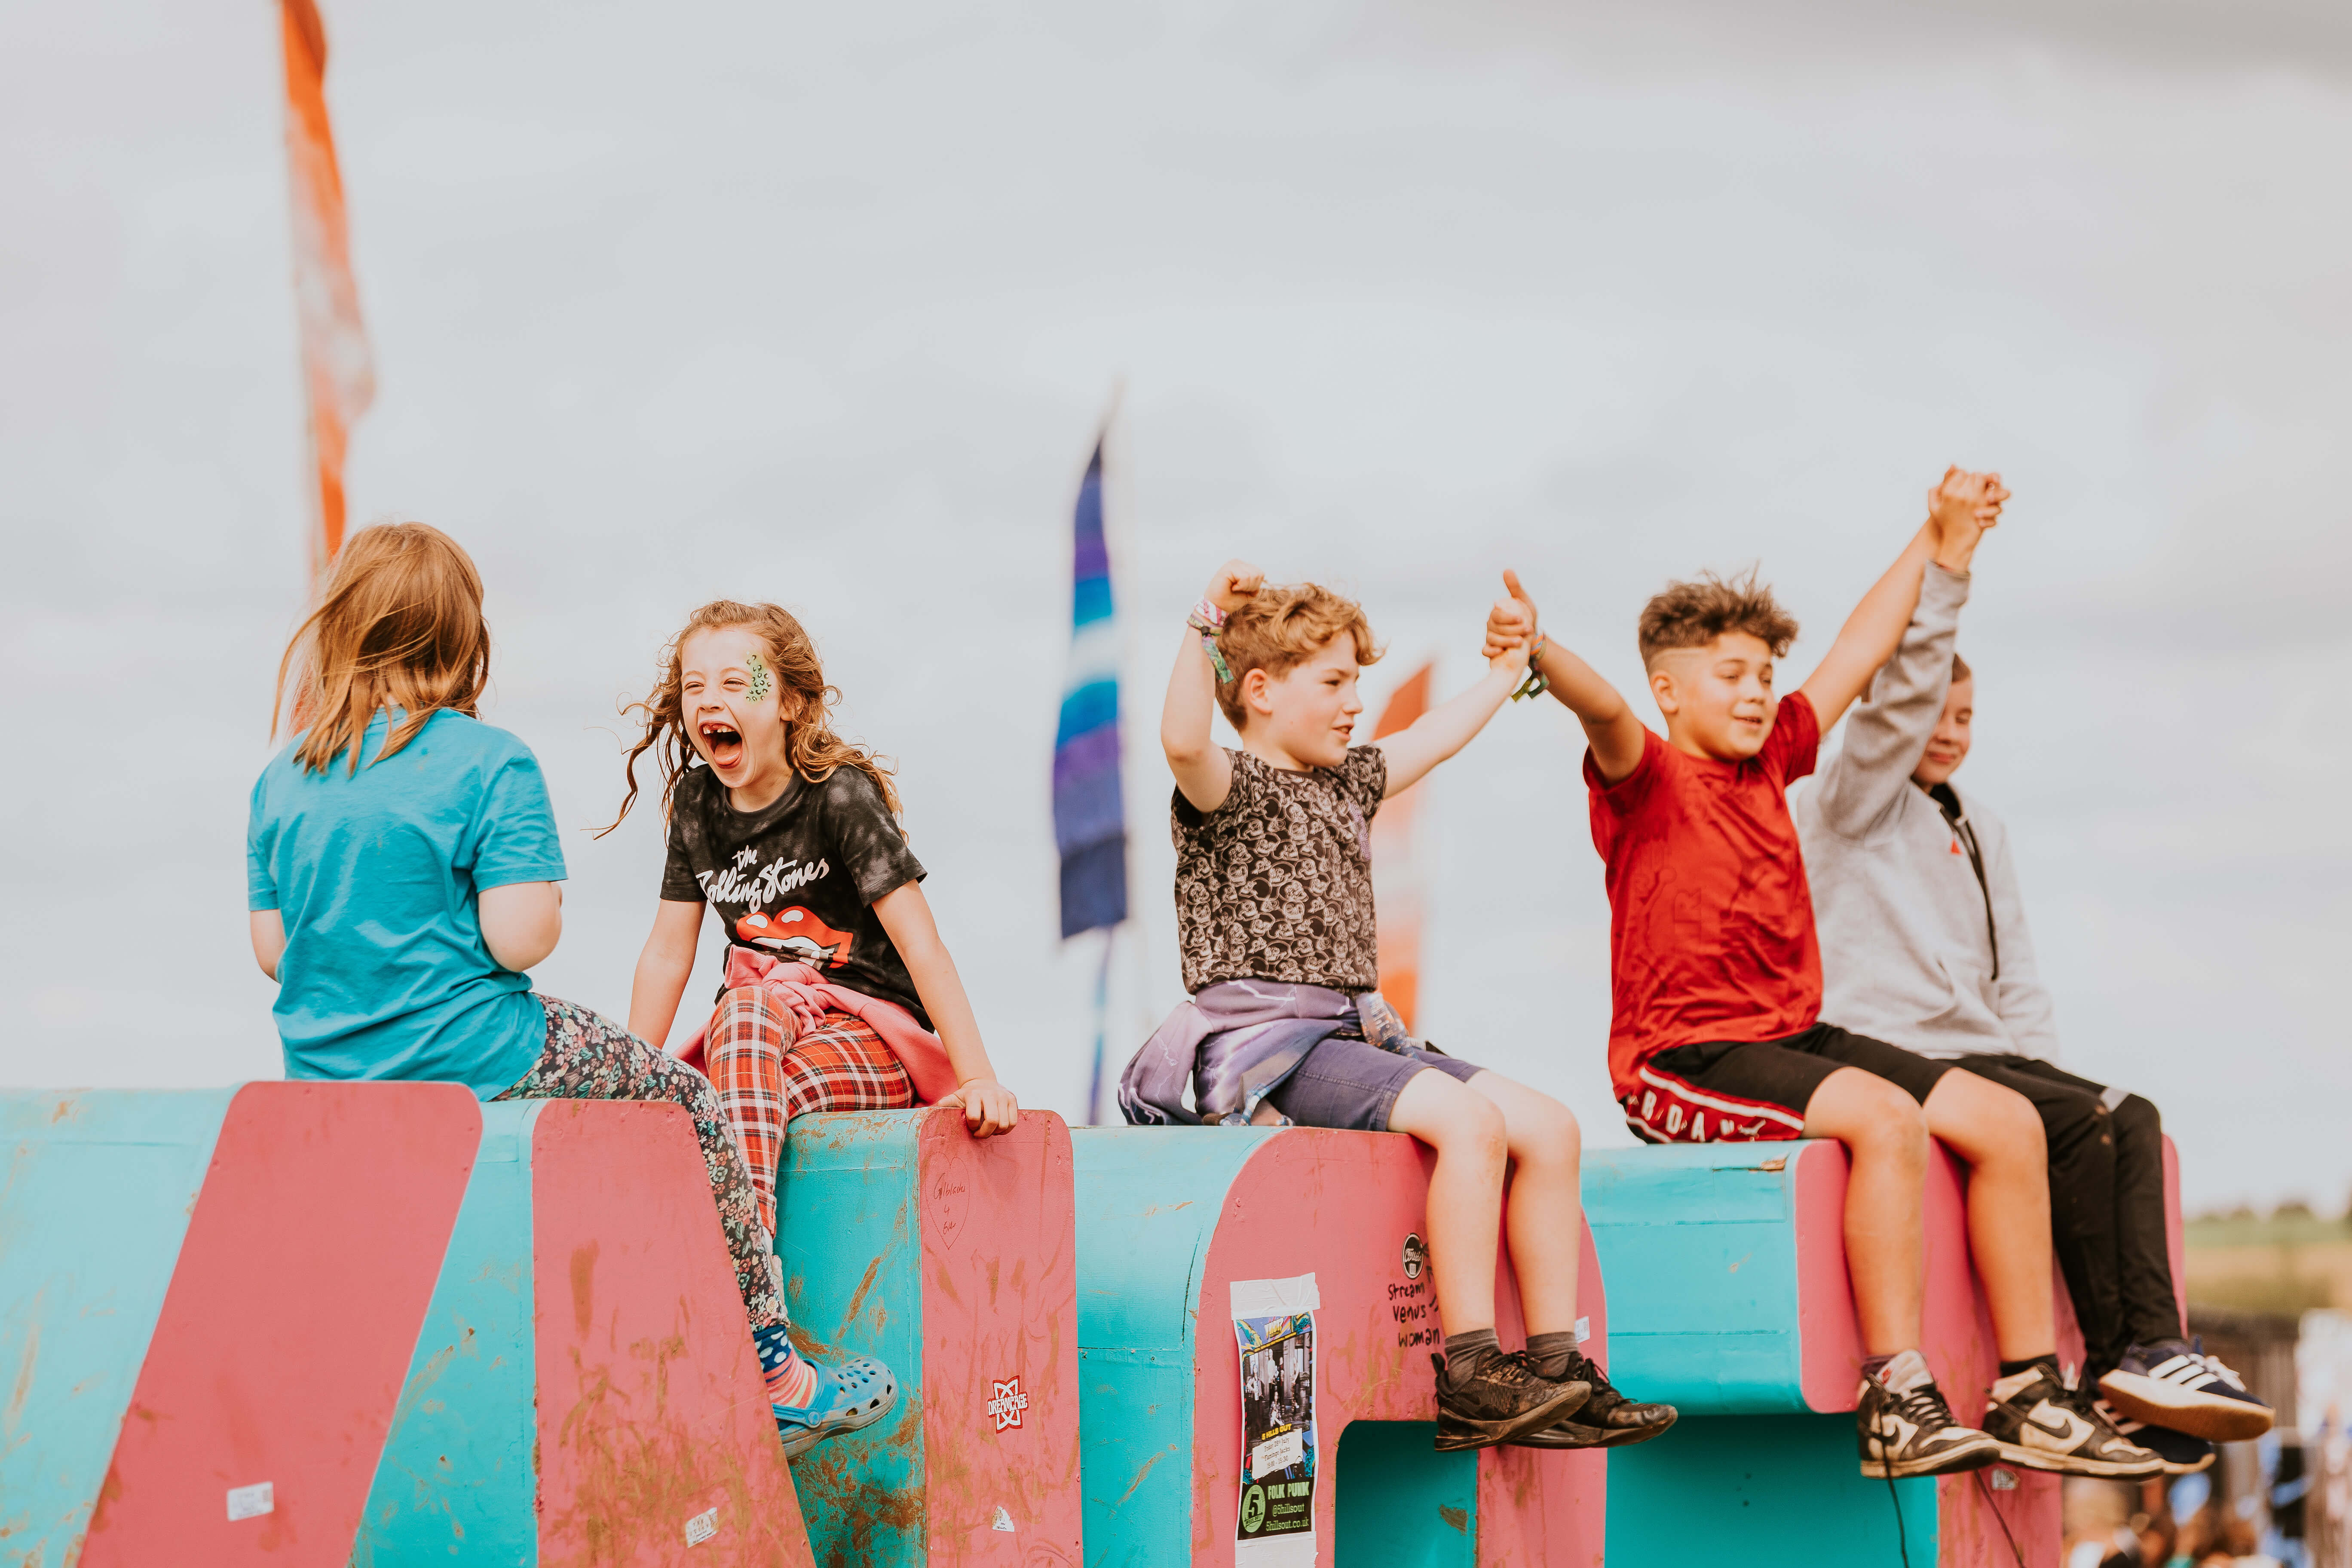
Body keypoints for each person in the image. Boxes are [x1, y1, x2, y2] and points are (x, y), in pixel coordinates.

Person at [1488, 468, 2157, 1481]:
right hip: (1682, 1059)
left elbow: (1859, 646)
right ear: (1671, 690)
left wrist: (1939, 541)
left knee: (2009, 1123)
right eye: (1731, 674)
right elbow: (1604, 709)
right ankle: (1897, 1395)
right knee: (1887, 1122)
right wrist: (1538, 651)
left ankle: (2029, 1391)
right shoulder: (1647, 778)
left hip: (1792, 1037)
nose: (1758, 691)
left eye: (1766, 674)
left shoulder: (1777, 758)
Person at [245, 527, 890, 1458]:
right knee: (690, 1103)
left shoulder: (283, 779)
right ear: (464, 641)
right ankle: (774, 1373)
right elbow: (521, 937)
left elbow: (275, 952)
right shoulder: (487, 762)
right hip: (477, 1051)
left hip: (330, 1078)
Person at [1121, 562, 1675, 1454]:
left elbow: (1434, 736)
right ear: (1260, 691)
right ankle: (1470, 1372)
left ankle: (1555, 1366)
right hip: (1272, 1046)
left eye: (1358, 684)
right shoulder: (1228, 788)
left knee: (1551, 1128)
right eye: (1334, 683)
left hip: (1355, 1034)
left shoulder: (1349, 782)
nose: (1355, 704)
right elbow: (1182, 740)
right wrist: (1204, 622)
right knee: (1469, 1123)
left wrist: (1509, 668)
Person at [1789, 553, 2273, 1475]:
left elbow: (2014, 976)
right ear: (1891, 719)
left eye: (1966, 718)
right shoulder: (1844, 804)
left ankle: (2150, 1357)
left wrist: (2050, 1073)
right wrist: (1946, 574)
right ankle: (2110, 1370)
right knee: (2082, 1122)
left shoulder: (1982, 826)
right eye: (1931, 714)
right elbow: (1884, 725)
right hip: (1897, 1047)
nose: (1948, 733)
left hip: (1984, 1050)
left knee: (2127, 1114)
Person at [611, 599, 1022, 1253]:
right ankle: (750, 1271)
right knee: (740, 1035)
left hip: (868, 1033)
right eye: (694, 686)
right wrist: (631, 1080)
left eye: (735, 682)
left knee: (732, 1096)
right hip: (758, 1034)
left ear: (791, 703)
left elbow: (921, 944)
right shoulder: (696, 805)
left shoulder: (838, 795)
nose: (709, 699)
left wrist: (975, 1078)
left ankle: (737, 1268)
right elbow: (666, 953)